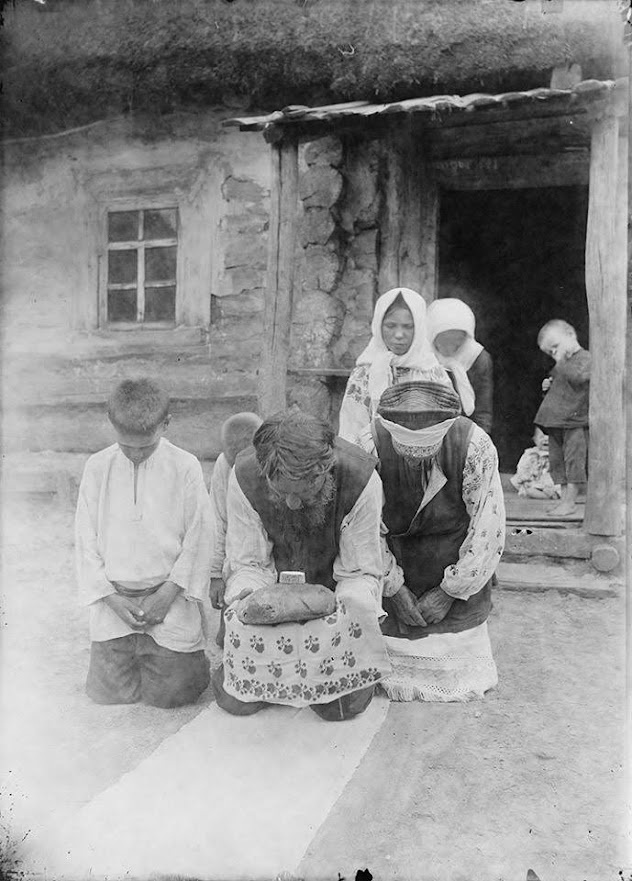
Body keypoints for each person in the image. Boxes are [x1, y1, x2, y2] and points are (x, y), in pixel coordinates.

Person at [211, 409, 391, 721]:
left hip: (333, 602)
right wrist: (245, 597)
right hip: (269, 599)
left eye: (305, 492)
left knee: (340, 708)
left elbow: (359, 572)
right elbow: (249, 562)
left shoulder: (360, 479)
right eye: (281, 492)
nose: (292, 503)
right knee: (236, 701)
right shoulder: (245, 475)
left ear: (325, 471)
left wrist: (341, 618)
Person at [75, 378, 213, 708]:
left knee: (172, 695)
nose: (136, 454)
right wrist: (110, 598)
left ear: (166, 424)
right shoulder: (97, 467)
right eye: (127, 446)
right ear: (112, 424)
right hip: (115, 603)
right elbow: (84, 539)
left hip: (169, 600)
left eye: (146, 446)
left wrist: (166, 595)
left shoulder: (185, 466)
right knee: (108, 694)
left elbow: (199, 536)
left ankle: (181, 661)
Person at [373, 380, 505, 702]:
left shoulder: (474, 445)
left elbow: (488, 527)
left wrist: (449, 592)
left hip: (453, 556)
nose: (413, 462)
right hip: (393, 559)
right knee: (381, 653)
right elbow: (364, 529)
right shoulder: (370, 443)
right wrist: (394, 588)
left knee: (456, 665)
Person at [338, 287, 451, 453]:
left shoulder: (432, 372)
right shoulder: (364, 374)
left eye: (408, 326)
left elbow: (447, 428)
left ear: (419, 328)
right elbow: (351, 430)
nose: (399, 334)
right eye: (390, 325)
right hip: (372, 461)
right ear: (379, 326)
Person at [208, 412, 263, 646]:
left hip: (271, 559)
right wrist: (214, 575)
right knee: (229, 638)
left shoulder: (272, 461)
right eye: (233, 463)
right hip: (238, 560)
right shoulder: (223, 465)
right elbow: (217, 519)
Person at [534, 319, 590, 517]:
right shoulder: (561, 364)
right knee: (557, 463)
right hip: (556, 421)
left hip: (574, 422)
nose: (554, 353)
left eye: (556, 346)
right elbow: (561, 388)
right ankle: (564, 501)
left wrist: (561, 363)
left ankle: (570, 502)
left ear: (570, 335)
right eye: (550, 352)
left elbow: (579, 378)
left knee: (573, 462)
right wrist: (548, 387)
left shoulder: (586, 358)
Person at [427, 297, 494, 435]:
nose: (450, 349)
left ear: (466, 337)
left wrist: (480, 440)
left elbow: (483, 411)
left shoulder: (477, 357)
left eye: (457, 342)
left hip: (465, 431)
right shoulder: (422, 356)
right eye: (445, 341)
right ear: (432, 335)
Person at [510, 427, 561, 501]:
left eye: (550, 438)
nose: (546, 439)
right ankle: (545, 496)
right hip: (534, 481)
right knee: (529, 490)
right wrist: (525, 478)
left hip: (551, 481)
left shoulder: (558, 454)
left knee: (562, 486)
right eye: (541, 437)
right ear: (534, 439)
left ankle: (553, 493)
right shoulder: (530, 453)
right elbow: (522, 466)